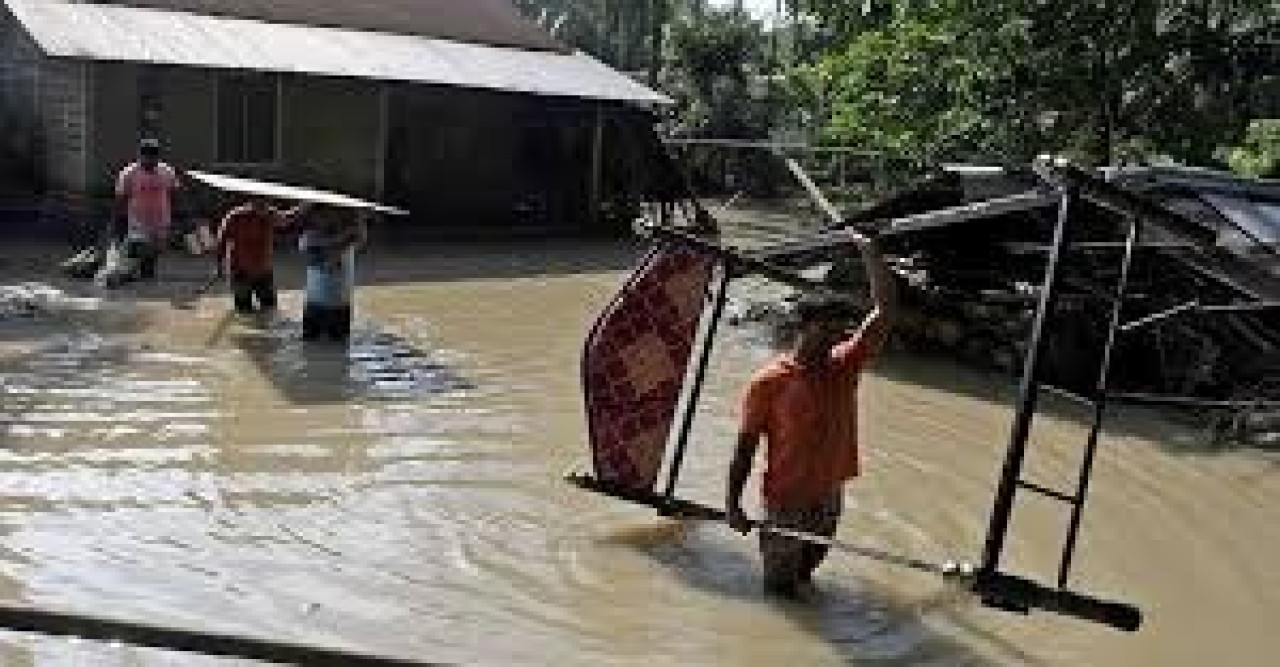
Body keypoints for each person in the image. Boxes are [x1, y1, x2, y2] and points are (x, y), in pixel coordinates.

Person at [726, 235, 896, 599]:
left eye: (839, 329)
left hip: (829, 493)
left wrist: (871, 255)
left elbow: (884, 314)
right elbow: (744, 449)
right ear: (803, 327)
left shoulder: (844, 365)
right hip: (785, 499)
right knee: (779, 590)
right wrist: (733, 505)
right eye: (827, 328)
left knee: (807, 573)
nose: (835, 336)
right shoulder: (769, 382)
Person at [213, 197, 310, 316]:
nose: (265, 208)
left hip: (264, 271)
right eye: (261, 205)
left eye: (266, 204)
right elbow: (221, 242)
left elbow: (286, 219)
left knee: (270, 309)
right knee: (243, 311)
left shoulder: (270, 214)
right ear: (251, 203)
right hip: (240, 272)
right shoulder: (235, 217)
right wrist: (219, 266)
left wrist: (302, 207)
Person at [115, 138, 180, 281]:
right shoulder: (128, 173)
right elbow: (121, 198)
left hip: (161, 222)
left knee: (152, 257)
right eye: (147, 158)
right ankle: (133, 279)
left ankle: (145, 281)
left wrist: (178, 218)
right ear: (140, 156)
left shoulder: (167, 171)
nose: (151, 162)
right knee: (138, 251)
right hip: (137, 222)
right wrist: (119, 223)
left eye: (154, 158)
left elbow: (175, 194)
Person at [299, 210, 367, 343]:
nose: (327, 219)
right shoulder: (310, 237)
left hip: (340, 304)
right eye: (322, 215)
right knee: (309, 342)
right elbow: (315, 245)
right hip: (315, 303)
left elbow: (361, 238)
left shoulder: (350, 239)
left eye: (332, 214)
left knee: (339, 345)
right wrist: (346, 235)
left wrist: (360, 221)